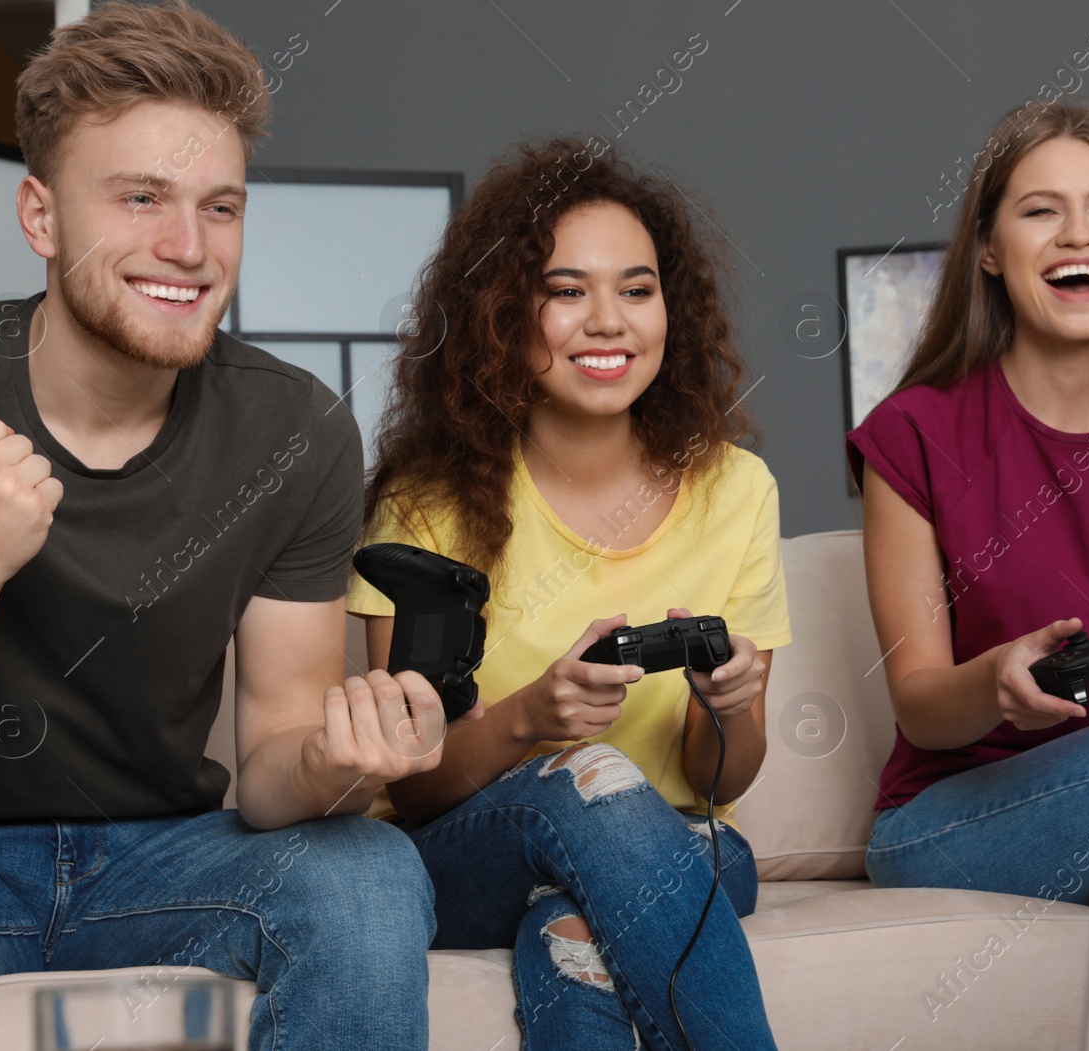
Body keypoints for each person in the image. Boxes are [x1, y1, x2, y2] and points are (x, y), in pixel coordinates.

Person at [0, 4, 451, 1049]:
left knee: (368, 869)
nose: (188, 248)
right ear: (41, 216)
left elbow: (276, 765)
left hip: (174, 853)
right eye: (141, 198)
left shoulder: (296, 430)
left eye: (220, 207)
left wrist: (343, 762)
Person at [346, 137, 790, 1049]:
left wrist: (731, 704)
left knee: (576, 930)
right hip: (470, 850)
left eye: (636, 289)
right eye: (565, 290)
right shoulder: (424, 503)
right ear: (505, 315)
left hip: (685, 841)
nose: (609, 321)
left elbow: (727, 777)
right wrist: (532, 716)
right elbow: (415, 787)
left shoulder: (737, 488)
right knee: (592, 777)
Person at [848, 102, 1089, 908]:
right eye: (1040, 212)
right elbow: (920, 705)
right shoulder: (915, 432)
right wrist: (996, 678)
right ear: (990, 249)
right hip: (952, 823)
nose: (1078, 235)